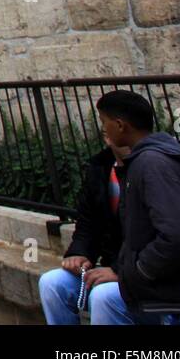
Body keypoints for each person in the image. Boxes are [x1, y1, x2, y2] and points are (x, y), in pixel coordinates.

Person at [98, 90, 180, 324]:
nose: (103, 130)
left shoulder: (152, 164)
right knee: (107, 299)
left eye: (104, 122)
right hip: (168, 292)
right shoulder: (148, 159)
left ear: (120, 125)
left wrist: (140, 271)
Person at [39, 138, 130, 325]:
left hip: (143, 275)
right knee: (52, 283)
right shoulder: (100, 168)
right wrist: (79, 252)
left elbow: (166, 239)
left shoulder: (154, 169)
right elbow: (88, 221)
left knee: (103, 296)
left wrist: (121, 272)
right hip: (112, 268)